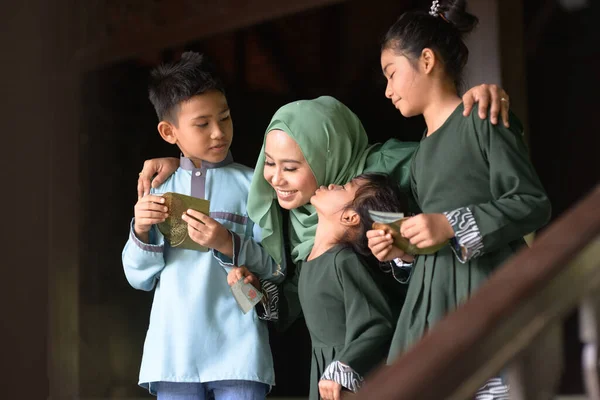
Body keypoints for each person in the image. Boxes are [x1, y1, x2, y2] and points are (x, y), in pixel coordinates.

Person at [368, 0, 551, 397]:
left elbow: (532, 202)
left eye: (391, 73)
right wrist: (400, 247)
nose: (387, 90)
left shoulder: (481, 118)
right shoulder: (420, 155)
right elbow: (434, 239)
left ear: (427, 60)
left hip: (486, 294)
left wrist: (451, 223)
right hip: (431, 310)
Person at [121, 51, 283, 400]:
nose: (218, 132)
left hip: (240, 349)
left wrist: (227, 241)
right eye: (202, 124)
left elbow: (275, 267)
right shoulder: (158, 190)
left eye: (224, 118)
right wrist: (142, 231)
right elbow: (138, 277)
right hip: (174, 351)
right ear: (168, 131)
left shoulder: (254, 185)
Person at [230, 172, 409, 400]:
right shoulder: (308, 263)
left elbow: (378, 323)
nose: (333, 184)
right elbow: (283, 312)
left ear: (350, 218)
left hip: (348, 379)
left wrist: (343, 368)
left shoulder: (344, 261)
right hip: (326, 374)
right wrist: (245, 288)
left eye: (344, 187)